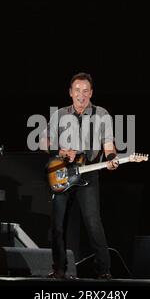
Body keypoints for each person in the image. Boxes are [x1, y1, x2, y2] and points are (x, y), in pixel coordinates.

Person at [43, 72, 119, 279]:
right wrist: (61, 151)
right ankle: (59, 269)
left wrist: (112, 158)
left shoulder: (101, 114)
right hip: (63, 173)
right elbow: (44, 142)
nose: (81, 95)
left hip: (89, 175)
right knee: (58, 224)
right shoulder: (59, 115)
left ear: (91, 93)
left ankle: (103, 270)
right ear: (70, 93)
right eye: (77, 90)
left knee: (93, 223)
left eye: (86, 91)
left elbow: (109, 145)